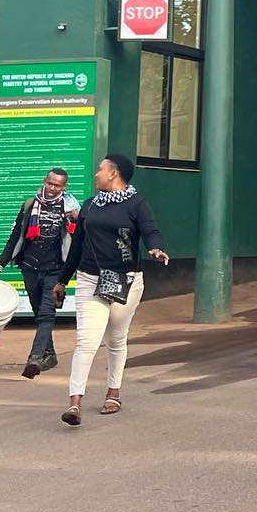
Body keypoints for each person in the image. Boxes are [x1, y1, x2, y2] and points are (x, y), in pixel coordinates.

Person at [56, 153, 169, 426]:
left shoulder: (136, 203)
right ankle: (75, 402)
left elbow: (150, 230)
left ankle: (113, 392)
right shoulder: (90, 205)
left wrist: (155, 248)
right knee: (87, 340)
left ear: (113, 173)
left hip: (126, 280)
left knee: (116, 339)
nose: (96, 173)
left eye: (100, 169)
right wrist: (62, 280)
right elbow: (77, 246)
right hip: (89, 279)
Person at [0, 168, 80, 378]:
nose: (52, 188)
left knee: (46, 314)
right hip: (30, 268)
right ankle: (49, 354)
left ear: (64, 187)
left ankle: (35, 358)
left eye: (57, 185)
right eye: (50, 183)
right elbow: (15, 238)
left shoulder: (70, 209)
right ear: (44, 181)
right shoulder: (29, 205)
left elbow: (78, 241)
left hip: (55, 270)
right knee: (38, 311)